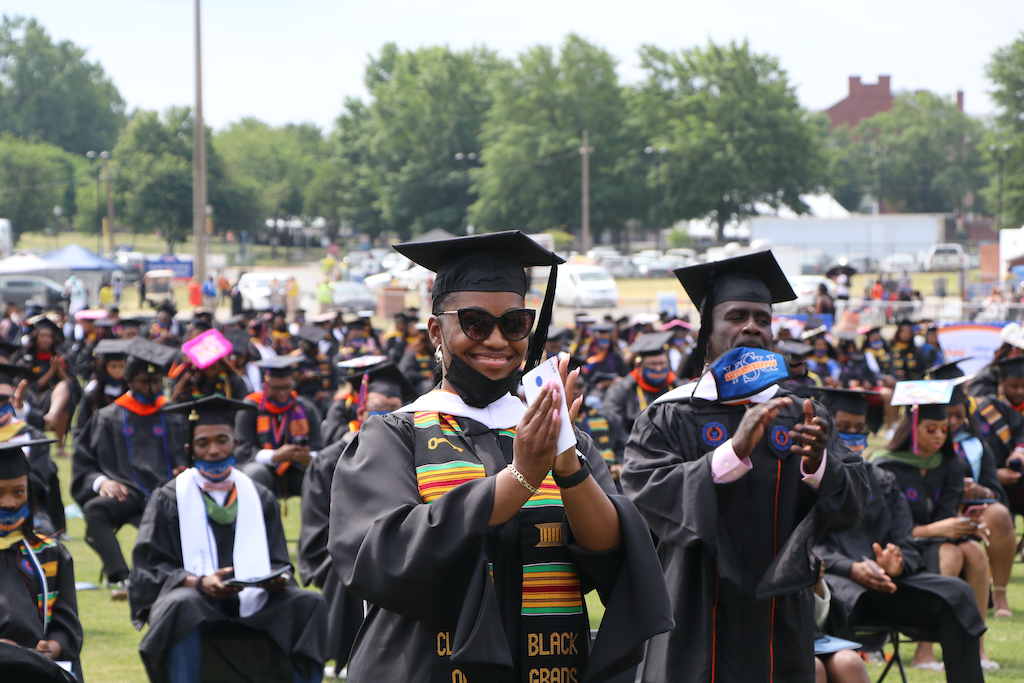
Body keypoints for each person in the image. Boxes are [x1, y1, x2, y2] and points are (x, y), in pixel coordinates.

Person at [328, 231, 673, 682]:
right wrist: (522, 477)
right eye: (474, 322)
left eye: (514, 324)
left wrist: (567, 467)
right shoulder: (394, 437)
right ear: (437, 330)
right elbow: (382, 555)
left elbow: (611, 559)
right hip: (427, 668)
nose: (496, 340)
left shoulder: (558, 438)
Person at [622, 251, 869, 683]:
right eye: (736, 316)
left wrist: (818, 466)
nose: (751, 326)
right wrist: (730, 454)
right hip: (693, 613)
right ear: (709, 333)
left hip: (780, 615)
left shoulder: (804, 414)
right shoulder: (671, 414)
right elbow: (645, 492)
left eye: (762, 318)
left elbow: (854, 506)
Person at [130, 396, 327, 683]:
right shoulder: (169, 498)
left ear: (235, 443)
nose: (213, 450)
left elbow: (279, 559)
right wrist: (198, 582)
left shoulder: (260, 496)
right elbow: (150, 564)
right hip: (197, 600)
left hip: (256, 601)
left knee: (309, 603)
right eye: (203, 443)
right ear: (190, 449)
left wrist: (275, 577)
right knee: (180, 605)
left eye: (222, 440)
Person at [812, 387, 985, 680]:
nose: (853, 435)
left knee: (957, 593)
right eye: (843, 428)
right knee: (833, 597)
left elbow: (907, 541)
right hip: (836, 584)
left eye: (859, 428)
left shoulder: (882, 479)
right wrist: (853, 568)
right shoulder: (809, 479)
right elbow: (808, 546)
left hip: (887, 584)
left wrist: (898, 562)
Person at [869, 390, 998, 670]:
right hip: (900, 549)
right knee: (951, 554)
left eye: (944, 429)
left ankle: (977, 649)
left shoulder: (951, 464)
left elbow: (946, 516)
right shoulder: (884, 465)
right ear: (912, 429)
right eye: (931, 429)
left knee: (973, 551)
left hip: (938, 540)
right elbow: (887, 530)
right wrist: (938, 529)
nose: (939, 435)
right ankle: (923, 653)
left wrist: (965, 527)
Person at [299, 363, 413, 672]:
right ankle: (346, 657)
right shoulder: (329, 460)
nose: (385, 415)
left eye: (394, 408)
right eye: (377, 408)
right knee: (358, 564)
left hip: (397, 551)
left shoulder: (409, 453)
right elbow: (315, 532)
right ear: (361, 410)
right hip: (340, 554)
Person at [71, 337, 188, 600]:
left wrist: (186, 473)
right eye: (143, 382)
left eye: (156, 381)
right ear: (129, 382)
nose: (150, 387)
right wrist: (103, 482)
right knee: (95, 510)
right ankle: (122, 577)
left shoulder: (173, 414)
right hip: (127, 493)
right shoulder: (108, 416)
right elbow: (84, 460)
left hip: (167, 494)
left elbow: (191, 456)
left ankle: (175, 576)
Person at [0, 439, 83, 681]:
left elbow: (66, 620)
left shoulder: (50, 553)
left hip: (39, 667)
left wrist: (52, 647)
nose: (9, 502)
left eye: (18, 491)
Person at [235, 356, 324, 499]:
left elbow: (318, 448)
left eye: (287, 387)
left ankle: (316, 521)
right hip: (264, 470)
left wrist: (307, 457)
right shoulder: (250, 407)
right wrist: (274, 456)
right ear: (266, 385)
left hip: (295, 469)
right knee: (254, 473)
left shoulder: (304, 407)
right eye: (276, 388)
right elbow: (244, 450)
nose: (283, 393)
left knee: (322, 474)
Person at [0, 365, 64, 536]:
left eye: (3, 399)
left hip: (25, 509)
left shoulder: (33, 436)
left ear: (12, 399)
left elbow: (38, 482)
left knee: (42, 534)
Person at [600, 331, 677, 458]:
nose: (658, 369)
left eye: (662, 364)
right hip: (635, 451)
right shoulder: (621, 389)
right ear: (639, 366)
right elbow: (613, 423)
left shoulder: (678, 387)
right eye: (652, 364)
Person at [14, 318, 80, 460]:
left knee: (65, 387)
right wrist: (51, 372)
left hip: (52, 403)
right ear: (35, 337)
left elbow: (75, 388)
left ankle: (55, 431)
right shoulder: (26, 357)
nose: (46, 340)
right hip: (30, 401)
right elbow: (25, 388)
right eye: (42, 336)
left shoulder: (60, 358)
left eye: (49, 336)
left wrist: (60, 372)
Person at [73, 339, 129, 445]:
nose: (118, 370)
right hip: (99, 442)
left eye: (122, 366)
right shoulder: (93, 394)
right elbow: (81, 427)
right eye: (113, 366)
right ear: (104, 367)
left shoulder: (129, 392)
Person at [292, 325, 337, 417]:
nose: (313, 353)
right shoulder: (293, 360)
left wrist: (326, 393)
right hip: (299, 397)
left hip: (321, 397)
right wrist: (302, 378)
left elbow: (335, 385)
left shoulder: (324, 360)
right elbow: (288, 385)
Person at [397, 323, 436, 396]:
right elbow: (406, 373)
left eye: (425, 342)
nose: (423, 345)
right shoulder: (411, 354)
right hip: (416, 386)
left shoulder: (432, 354)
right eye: (421, 342)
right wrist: (424, 376)